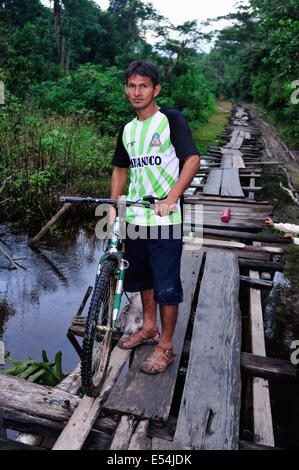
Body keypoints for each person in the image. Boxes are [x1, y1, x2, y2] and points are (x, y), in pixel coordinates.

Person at [110, 60, 200, 374]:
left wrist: (172, 196)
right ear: (126, 90)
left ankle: (166, 346)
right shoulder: (127, 129)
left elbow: (192, 160)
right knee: (143, 280)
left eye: (143, 86)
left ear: (156, 89)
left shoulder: (171, 120)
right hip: (135, 218)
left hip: (165, 220)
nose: (137, 92)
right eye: (132, 86)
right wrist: (114, 206)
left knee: (166, 287)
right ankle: (148, 328)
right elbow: (121, 169)